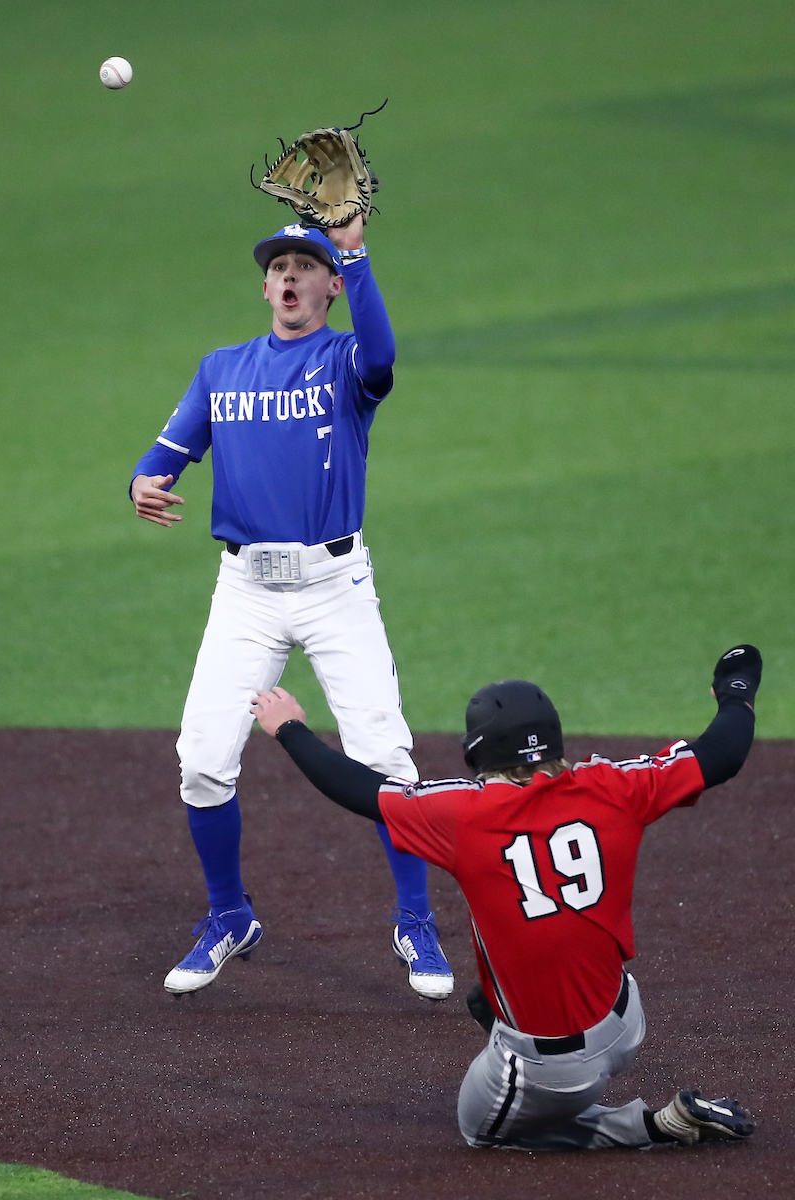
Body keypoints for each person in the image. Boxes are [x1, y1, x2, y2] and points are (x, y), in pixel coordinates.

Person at [250, 645, 762, 1149]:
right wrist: (735, 690)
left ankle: (651, 1126)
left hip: (554, 1068)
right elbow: (721, 753)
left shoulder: (465, 815)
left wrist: (289, 728)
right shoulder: (614, 787)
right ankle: (547, 1066)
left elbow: (360, 790)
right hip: (624, 1019)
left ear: (481, 751)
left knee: (479, 1132)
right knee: (487, 995)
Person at [131, 215, 453, 1000]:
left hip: (335, 588)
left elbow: (383, 355)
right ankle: (228, 916)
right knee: (202, 760)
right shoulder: (222, 369)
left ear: (331, 287)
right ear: (264, 283)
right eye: (278, 266)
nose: (288, 277)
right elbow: (168, 452)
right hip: (244, 592)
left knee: (384, 756)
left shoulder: (345, 360)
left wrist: (357, 251)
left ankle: (415, 923)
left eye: (306, 267)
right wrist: (143, 481)